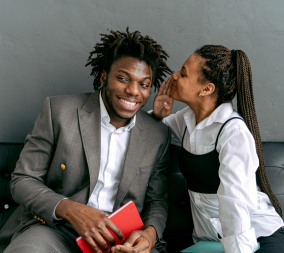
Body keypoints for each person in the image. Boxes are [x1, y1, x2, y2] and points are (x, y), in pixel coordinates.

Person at [0, 28, 173, 253]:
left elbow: (157, 201)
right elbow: (22, 180)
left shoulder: (156, 134)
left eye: (144, 84)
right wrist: (71, 210)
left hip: (121, 239)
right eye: (123, 78)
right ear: (103, 76)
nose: (133, 91)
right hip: (56, 229)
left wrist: (150, 234)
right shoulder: (59, 111)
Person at [152, 45, 284, 253]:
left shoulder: (233, 133)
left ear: (207, 89)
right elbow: (149, 135)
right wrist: (158, 115)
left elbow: (235, 202)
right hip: (210, 239)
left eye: (184, 74)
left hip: (256, 237)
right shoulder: (186, 120)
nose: (175, 76)